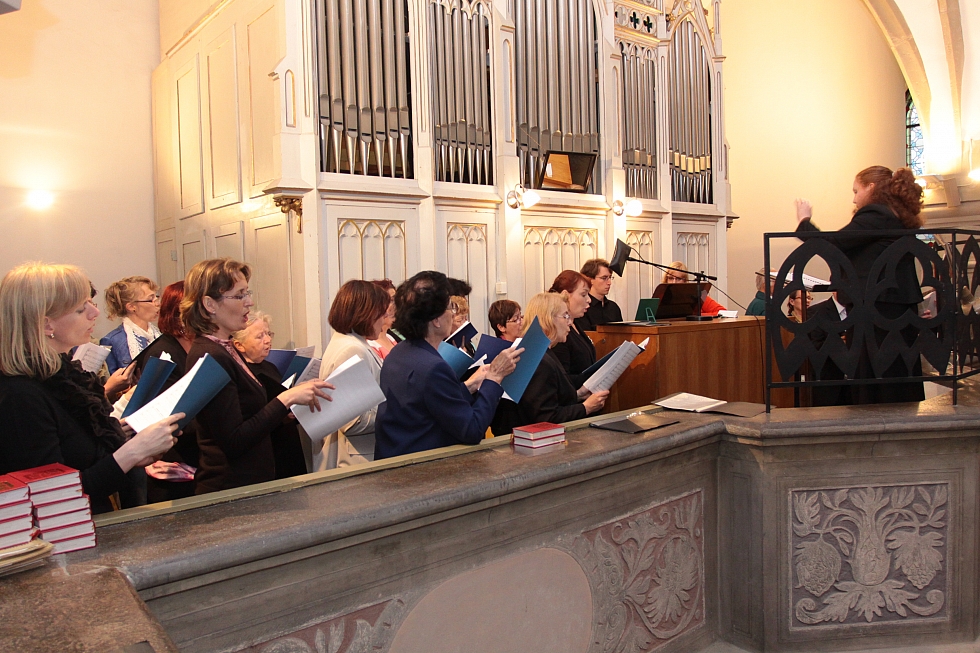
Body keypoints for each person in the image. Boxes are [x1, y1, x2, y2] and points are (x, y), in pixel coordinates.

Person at [0, 263, 182, 514]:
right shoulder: (20, 395)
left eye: (90, 302)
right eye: (80, 309)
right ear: (46, 325)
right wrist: (131, 453)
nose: (95, 312)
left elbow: (79, 448)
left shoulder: (63, 374)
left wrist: (123, 435)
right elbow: (53, 500)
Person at [182, 258, 333, 494]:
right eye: (239, 295)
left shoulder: (225, 347)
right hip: (230, 488)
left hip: (249, 482)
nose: (249, 302)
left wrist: (289, 404)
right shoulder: (210, 354)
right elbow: (233, 441)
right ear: (210, 304)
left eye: (247, 293)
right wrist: (286, 399)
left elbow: (249, 414)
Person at [795, 165, 926, 404]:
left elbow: (834, 244)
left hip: (878, 306)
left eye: (856, 191)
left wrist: (804, 221)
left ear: (871, 187)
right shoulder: (894, 214)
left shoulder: (876, 214)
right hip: (892, 304)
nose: (854, 199)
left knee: (876, 373)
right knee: (895, 372)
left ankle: (877, 418)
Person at [374, 271, 523, 459]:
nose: (453, 314)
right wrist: (494, 378)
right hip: (424, 467)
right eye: (450, 307)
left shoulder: (399, 352)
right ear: (436, 320)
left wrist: (471, 385)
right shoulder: (433, 367)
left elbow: (431, 403)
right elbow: (472, 429)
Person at [491, 293, 608, 435]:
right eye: (565, 316)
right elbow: (545, 419)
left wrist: (578, 394)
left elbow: (549, 399)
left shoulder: (538, 351)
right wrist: (586, 408)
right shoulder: (538, 360)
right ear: (548, 320)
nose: (570, 322)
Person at [132, 281, 200, 502]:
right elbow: (172, 417)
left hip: (196, 460)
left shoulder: (198, 346)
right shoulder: (163, 354)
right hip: (174, 468)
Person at [313, 280, 390, 470]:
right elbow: (353, 422)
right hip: (356, 458)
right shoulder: (352, 349)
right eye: (381, 313)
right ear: (366, 313)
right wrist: (396, 412)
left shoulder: (351, 343)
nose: (384, 319)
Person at [232, 312, 307, 479]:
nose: (267, 340)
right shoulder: (240, 373)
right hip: (267, 452)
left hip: (288, 447)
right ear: (239, 345)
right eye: (260, 336)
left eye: (268, 333)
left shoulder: (270, 367)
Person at [101, 276, 162, 374]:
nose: (157, 303)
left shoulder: (160, 334)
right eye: (151, 299)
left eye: (156, 297)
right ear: (131, 307)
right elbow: (112, 380)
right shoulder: (112, 341)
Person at [548, 270, 596, 385]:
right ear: (565, 295)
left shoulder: (576, 323)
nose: (589, 300)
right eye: (583, 295)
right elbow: (562, 378)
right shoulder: (558, 331)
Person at [663, 261, 727, 316]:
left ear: (685, 280)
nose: (674, 282)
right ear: (666, 279)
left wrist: (697, 315)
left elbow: (723, 312)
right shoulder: (661, 296)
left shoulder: (699, 295)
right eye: (671, 278)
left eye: (678, 279)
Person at [577, 258, 622, 330]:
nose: (609, 283)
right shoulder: (582, 307)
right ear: (590, 280)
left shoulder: (613, 307)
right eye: (604, 278)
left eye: (610, 277)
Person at [370, 279, 398, 358]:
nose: (395, 306)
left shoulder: (390, 338)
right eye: (391, 301)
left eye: (395, 301)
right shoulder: (370, 345)